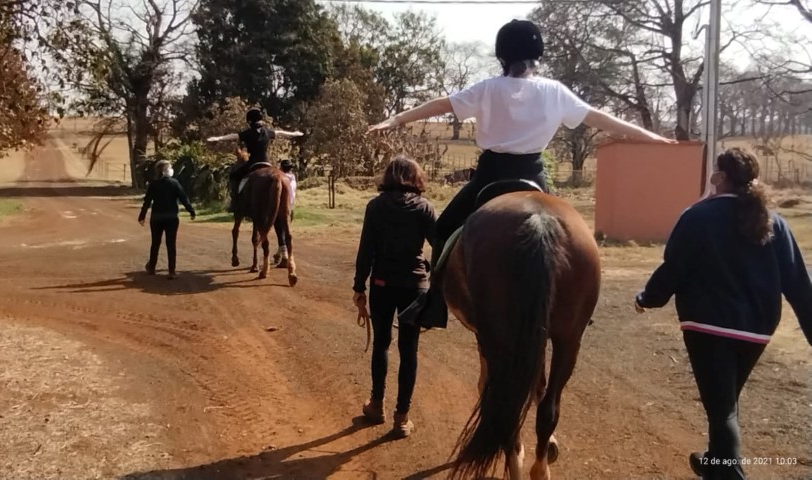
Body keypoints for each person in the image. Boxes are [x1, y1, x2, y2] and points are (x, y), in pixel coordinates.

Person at [367, 19, 676, 330]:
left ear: (502, 56)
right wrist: (648, 136)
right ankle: (573, 302)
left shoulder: (487, 88)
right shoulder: (555, 91)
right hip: (534, 175)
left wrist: (396, 119)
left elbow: (440, 105)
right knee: (565, 234)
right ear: (537, 56)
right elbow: (600, 117)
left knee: (444, 228)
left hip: (490, 175)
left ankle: (434, 304)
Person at [634, 148, 812, 480]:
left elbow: (674, 268)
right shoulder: (775, 222)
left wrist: (648, 298)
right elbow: (799, 285)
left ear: (719, 177)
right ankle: (714, 464)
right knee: (724, 403)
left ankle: (728, 472)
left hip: (707, 327)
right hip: (756, 331)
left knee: (722, 410)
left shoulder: (697, 216)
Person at [352, 156, 436, 438]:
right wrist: (434, 280)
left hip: (382, 283)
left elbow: (366, 249)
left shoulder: (375, 207)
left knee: (382, 344)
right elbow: (439, 245)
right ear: (415, 177)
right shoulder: (424, 207)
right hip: (415, 285)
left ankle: (376, 406)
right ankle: (402, 418)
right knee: (409, 350)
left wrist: (359, 287)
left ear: (388, 177)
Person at [207, 108, 303, 212]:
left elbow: (233, 136)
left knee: (234, 176)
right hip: (267, 162)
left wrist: (218, 138)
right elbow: (280, 133)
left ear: (249, 122)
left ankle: (235, 203)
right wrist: (294, 134)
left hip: (253, 163)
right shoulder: (267, 132)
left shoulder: (248, 133)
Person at [138, 160, 197, 280]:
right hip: (171, 218)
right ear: (166, 170)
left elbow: (147, 201)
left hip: (156, 218)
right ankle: (172, 271)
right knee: (171, 244)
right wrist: (191, 211)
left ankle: (152, 267)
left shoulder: (153, 184)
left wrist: (142, 216)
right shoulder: (174, 183)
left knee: (155, 243)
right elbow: (183, 198)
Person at [274, 159, 297, 266]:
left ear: (281, 168)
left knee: (280, 233)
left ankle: (284, 257)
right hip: (290, 208)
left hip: (280, 209)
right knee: (284, 232)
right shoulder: (293, 178)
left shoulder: (279, 178)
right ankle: (278, 254)